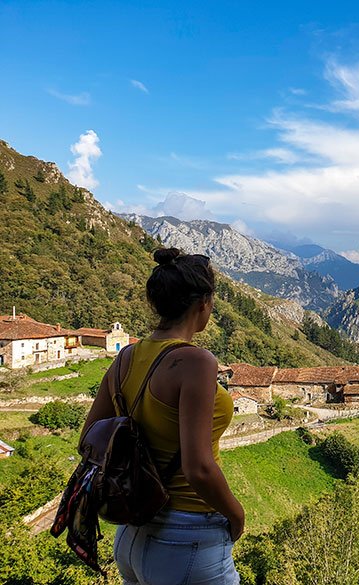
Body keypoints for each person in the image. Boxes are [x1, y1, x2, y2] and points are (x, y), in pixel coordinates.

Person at [81, 248, 244, 585]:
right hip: (188, 536)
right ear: (203, 304)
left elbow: (88, 439)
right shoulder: (197, 363)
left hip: (131, 535)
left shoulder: (125, 357)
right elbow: (198, 468)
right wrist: (235, 514)